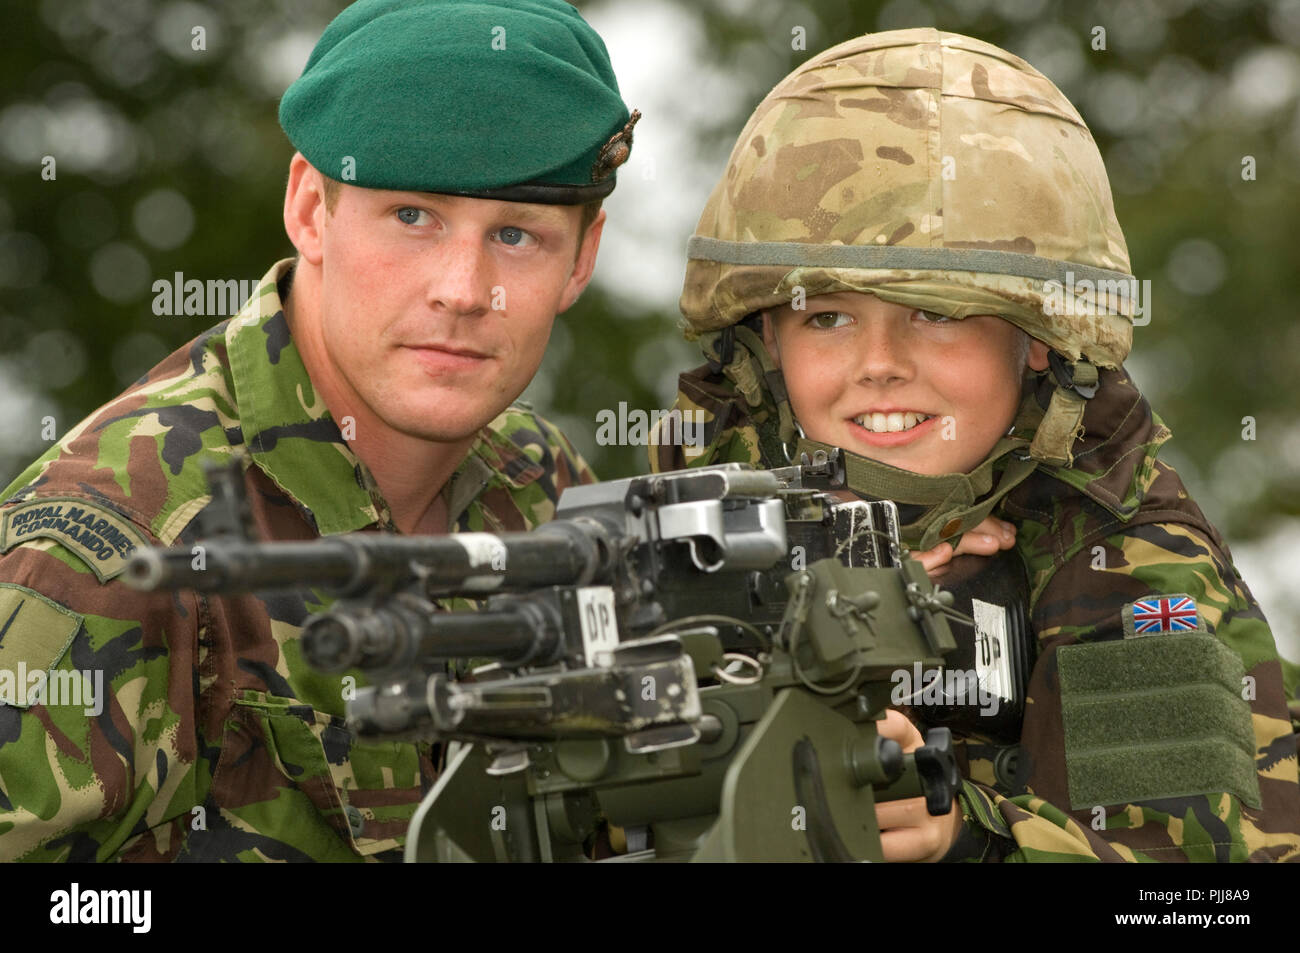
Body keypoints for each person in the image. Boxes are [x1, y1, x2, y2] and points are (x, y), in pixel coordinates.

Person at [0, 0, 637, 861]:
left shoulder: (549, 489)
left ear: (582, 259)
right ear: (310, 209)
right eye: (412, 217)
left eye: (518, 234)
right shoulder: (107, 557)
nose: (461, 287)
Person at [653, 27, 1300, 862]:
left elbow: (1198, 894)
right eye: (829, 318)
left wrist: (971, 843)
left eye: (939, 314)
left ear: (1039, 341)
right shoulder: (691, 535)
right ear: (767, 342)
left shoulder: (1130, 563)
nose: (879, 365)